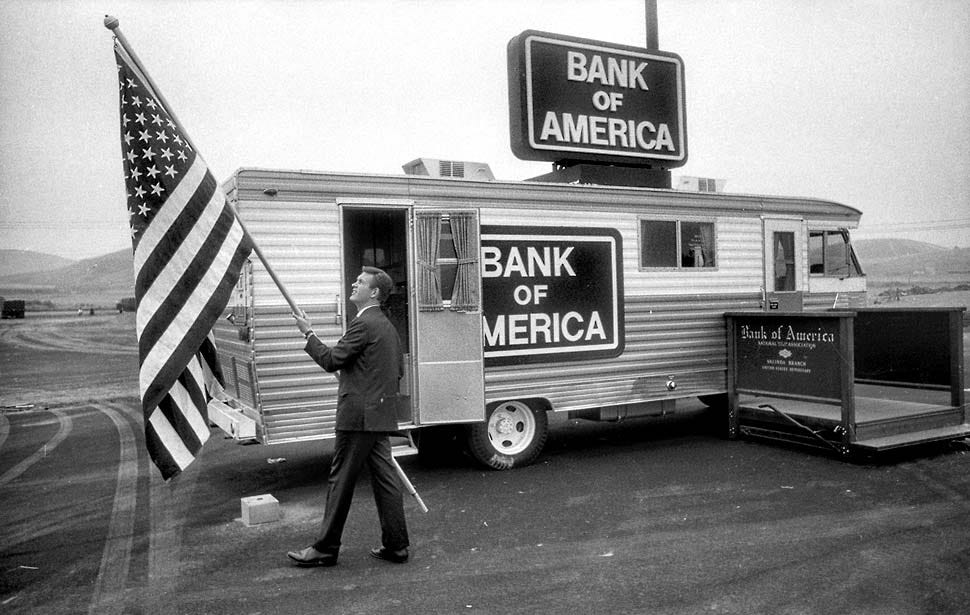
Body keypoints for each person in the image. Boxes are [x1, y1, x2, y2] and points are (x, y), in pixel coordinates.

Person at [287, 266, 410, 567]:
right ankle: (396, 546)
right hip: (378, 414)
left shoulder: (364, 324)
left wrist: (309, 333)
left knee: (340, 479)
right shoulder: (387, 326)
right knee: (385, 480)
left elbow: (331, 360)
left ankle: (326, 548)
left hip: (358, 417)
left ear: (375, 292)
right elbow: (399, 371)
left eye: (361, 282)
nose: (354, 284)